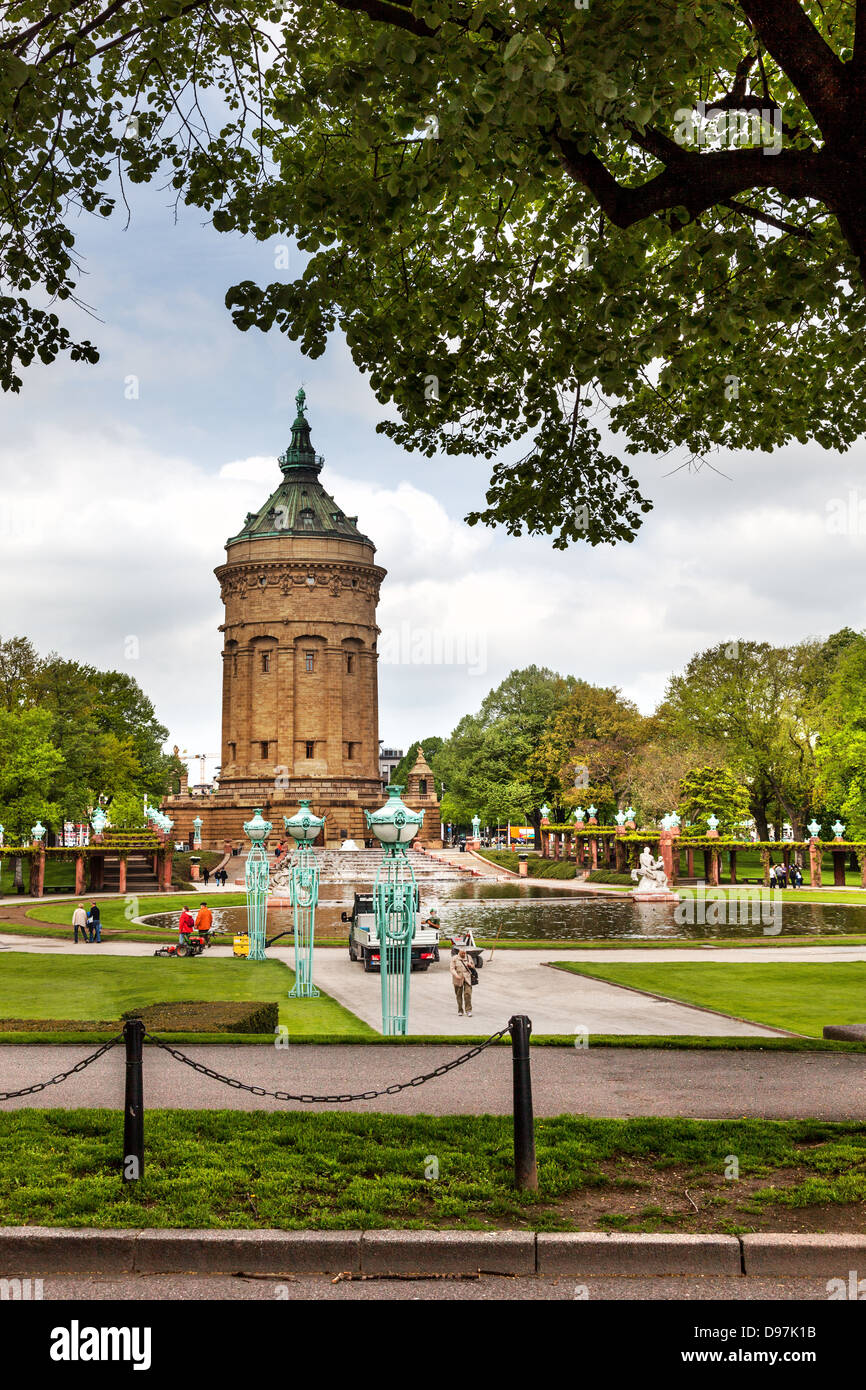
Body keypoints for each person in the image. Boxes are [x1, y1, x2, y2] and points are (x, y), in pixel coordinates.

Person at [450, 947, 474, 1018]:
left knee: (468, 994)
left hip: (467, 978)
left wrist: (471, 965)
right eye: (462, 953)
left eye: (464, 953)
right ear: (459, 952)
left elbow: (473, 967)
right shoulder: (454, 958)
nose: (464, 954)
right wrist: (456, 975)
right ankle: (460, 1010)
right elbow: (452, 968)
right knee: (458, 995)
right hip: (458, 978)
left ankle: (468, 1010)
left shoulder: (468, 957)